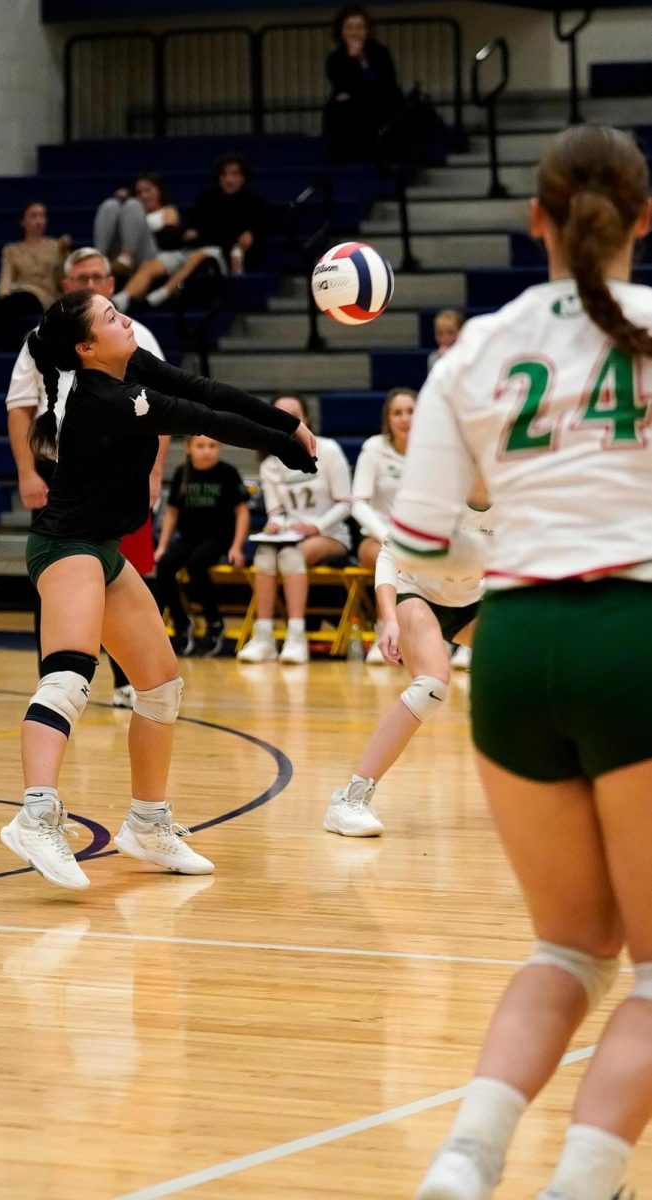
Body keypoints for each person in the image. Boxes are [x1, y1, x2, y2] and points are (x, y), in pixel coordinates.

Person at [386, 125, 652, 1200]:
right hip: (634, 630)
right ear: (642, 219)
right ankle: (578, 1186)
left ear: (534, 220)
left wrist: (422, 650)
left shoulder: (474, 350)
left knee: (567, 951)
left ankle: (464, 1165)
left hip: (512, 647)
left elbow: (413, 548)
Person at [0, 289, 316, 890]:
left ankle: (147, 823)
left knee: (161, 685)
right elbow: (202, 419)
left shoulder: (128, 364)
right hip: (64, 547)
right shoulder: (104, 397)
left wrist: (288, 422)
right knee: (69, 676)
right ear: (87, 348)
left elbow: (206, 390)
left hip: (103, 549)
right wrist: (279, 440)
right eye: (112, 318)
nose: (126, 319)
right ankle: (36, 815)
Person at [4, 247, 168, 709]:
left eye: (98, 277)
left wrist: (153, 472)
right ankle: (56, 680)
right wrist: (24, 471)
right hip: (56, 468)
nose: (90, 285)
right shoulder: (41, 338)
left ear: (111, 285)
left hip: (119, 469)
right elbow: (19, 406)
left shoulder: (137, 335)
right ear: (66, 285)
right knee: (58, 574)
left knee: (121, 567)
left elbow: (161, 410)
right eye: (80, 279)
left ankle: (127, 678)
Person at [325, 517, 487, 836]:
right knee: (431, 686)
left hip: (474, 600)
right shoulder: (442, 487)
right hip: (417, 593)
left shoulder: (514, 492)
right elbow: (388, 555)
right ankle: (350, 800)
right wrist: (390, 621)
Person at [237, 395, 351, 665]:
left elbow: (346, 503)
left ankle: (296, 637)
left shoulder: (329, 450)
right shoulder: (269, 464)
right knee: (264, 554)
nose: (287, 421)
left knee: (291, 556)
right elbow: (276, 512)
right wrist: (275, 525)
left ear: (306, 419)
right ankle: (263, 637)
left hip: (331, 534)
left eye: (294, 414)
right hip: (291, 535)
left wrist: (317, 526)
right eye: (280, 415)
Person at [112, 154, 269, 312]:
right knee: (152, 263)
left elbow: (261, 227)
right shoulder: (207, 198)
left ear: (243, 177)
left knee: (199, 255)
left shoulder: (253, 202)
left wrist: (250, 233)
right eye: (224, 174)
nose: (229, 179)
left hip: (218, 255)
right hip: (190, 249)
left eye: (234, 174)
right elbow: (192, 227)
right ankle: (123, 299)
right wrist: (190, 232)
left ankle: (157, 296)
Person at [154, 435, 249, 658]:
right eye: (200, 446)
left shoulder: (228, 473)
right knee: (164, 565)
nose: (207, 451)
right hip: (188, 537)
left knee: (197, 564)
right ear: (188, 448)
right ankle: (181, 622)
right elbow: (172, 513)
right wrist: (162, 546)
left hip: (218, 538)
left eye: (213, 446)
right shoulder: (181, 473)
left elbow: (242, 512)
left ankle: (214, 622)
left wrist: (236, 547)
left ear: (220, 447)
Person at [350, 387, 416, 664]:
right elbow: (358, 503)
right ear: (387, 418)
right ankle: (384, 634)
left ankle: (439, 639)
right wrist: (388, 536)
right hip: (379, 538)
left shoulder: (433, 450)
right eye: (397, 412)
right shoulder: (373, 448)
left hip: (421, 538)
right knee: (386, 558)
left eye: (411, 411)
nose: (404, 418)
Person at [323, 4, 403, 164]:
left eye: (359, 28)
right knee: (337, 110)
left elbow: (385, 82)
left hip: (381, 101)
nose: (354, 33)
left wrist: (362, 61)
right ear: (341, 31)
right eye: (349, 28)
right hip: (353, 106)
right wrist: (351, 60)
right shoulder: (336, 57)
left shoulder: (380, 52)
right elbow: (341, 85)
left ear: (367, 31)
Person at [93, 171, 182, 279]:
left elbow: (169, 239)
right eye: (139, 192)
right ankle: (98, 259)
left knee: (133, 204)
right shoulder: (130, 212)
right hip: (119, 252)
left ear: (159, 191)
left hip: (150, 255)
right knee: (111, 204)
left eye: (148, 190)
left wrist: (138, 231)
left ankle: (126, 258)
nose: (144, 195)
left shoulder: (168, 210)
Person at [0, 200, 70, 316]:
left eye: (42, 216)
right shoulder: (11, 250)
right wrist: (3, 295)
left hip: (45, 296)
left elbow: (62, 280)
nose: (39, 220)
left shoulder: (56, 246)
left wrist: (63, 254)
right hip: (19, 292)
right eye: (33, 216)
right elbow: (6, 278)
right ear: (22, 221)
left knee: (20, 301)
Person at [427, 307, 465, 371]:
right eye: (440, 333)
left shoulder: (469, 355)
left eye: (451, 333)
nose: (445, 338)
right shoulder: (434, 357)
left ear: (461, 333)